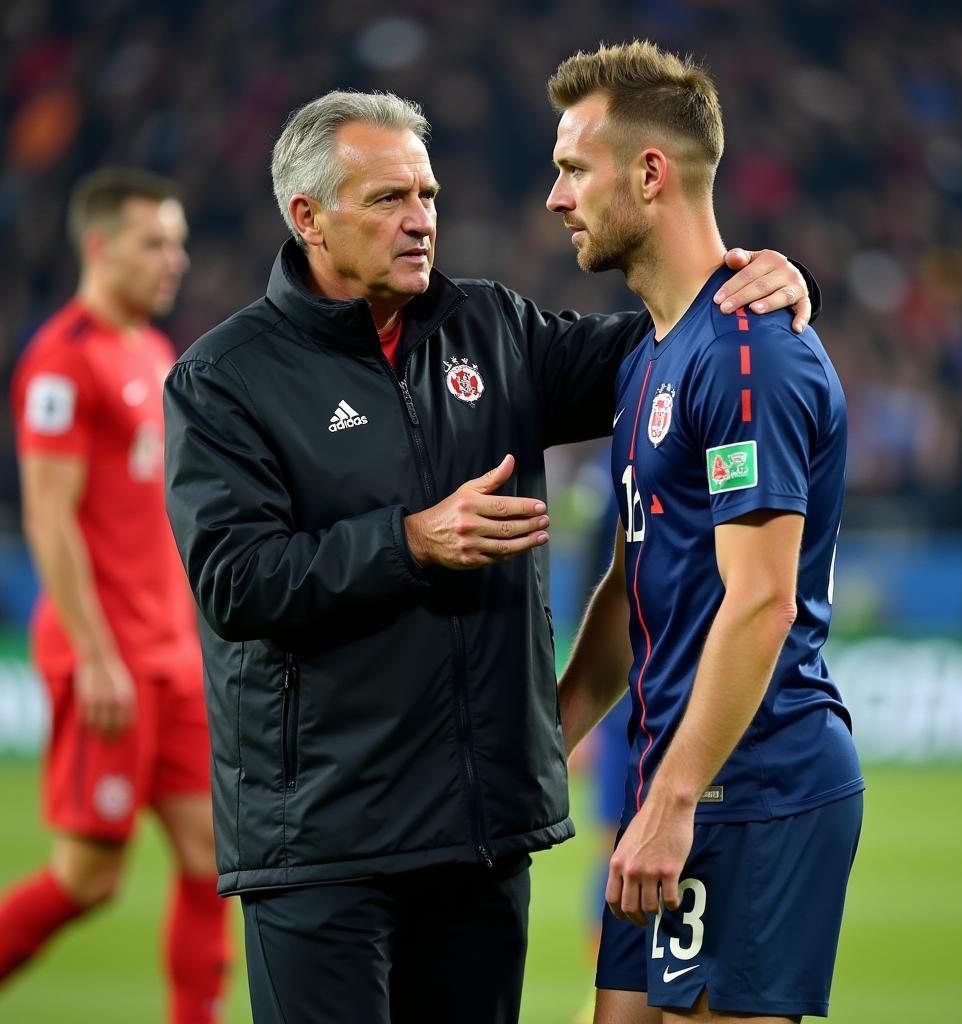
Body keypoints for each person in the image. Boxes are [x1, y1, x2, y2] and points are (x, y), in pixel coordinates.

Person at [161, 89, 815, 1024]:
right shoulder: (225, 381)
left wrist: (773, 288)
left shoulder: (493, 331)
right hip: (323, 846)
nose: (421, 220)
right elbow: (235, 581)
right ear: (307, 217)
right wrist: (410, 541)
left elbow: (676, 341)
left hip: (478, 836)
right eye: (389, 199)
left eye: (428, 196)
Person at [548, 43, 864, 1023]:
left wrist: (677, 799)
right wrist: (538, 749)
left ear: (650, 173)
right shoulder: (651, 355)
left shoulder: (745, 353)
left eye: (571, 169)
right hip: (672, 787)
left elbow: (761, 598)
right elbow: (625, 587)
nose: (556, 198)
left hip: (752, 789)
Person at [1, 169, 230, 1024]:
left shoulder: (151, 350)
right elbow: (47, 516)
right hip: (110, 662)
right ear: (99, 248)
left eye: (176, 241)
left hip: (170, 655)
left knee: (215, 860)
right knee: (87, 879)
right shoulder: (62, 358)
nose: (174, 259)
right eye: (153, 244)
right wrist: (97, 656)